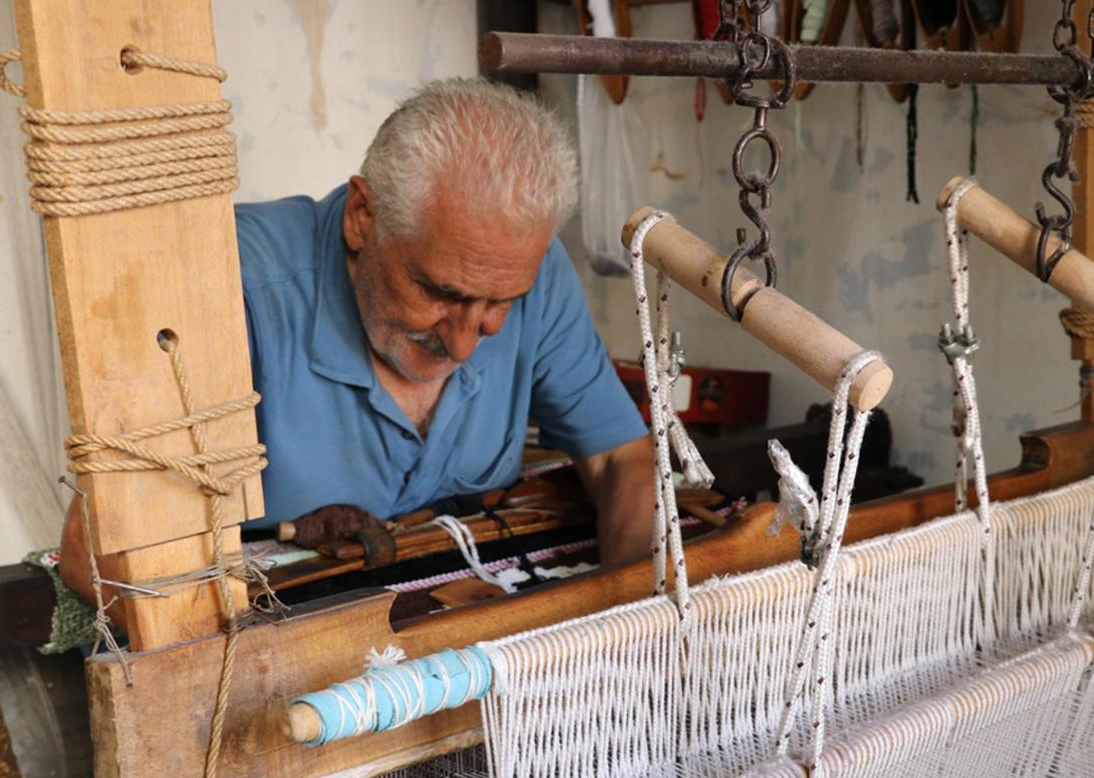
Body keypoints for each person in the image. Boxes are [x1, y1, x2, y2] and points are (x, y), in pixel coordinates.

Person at [59, 78, 652, 597]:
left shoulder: (526, 272)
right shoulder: (223, 290)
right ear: (362, 216)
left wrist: (635, 636)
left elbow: (619, 460)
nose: (466, 344)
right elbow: (100, 562)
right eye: (440, 292)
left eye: (499, 304)